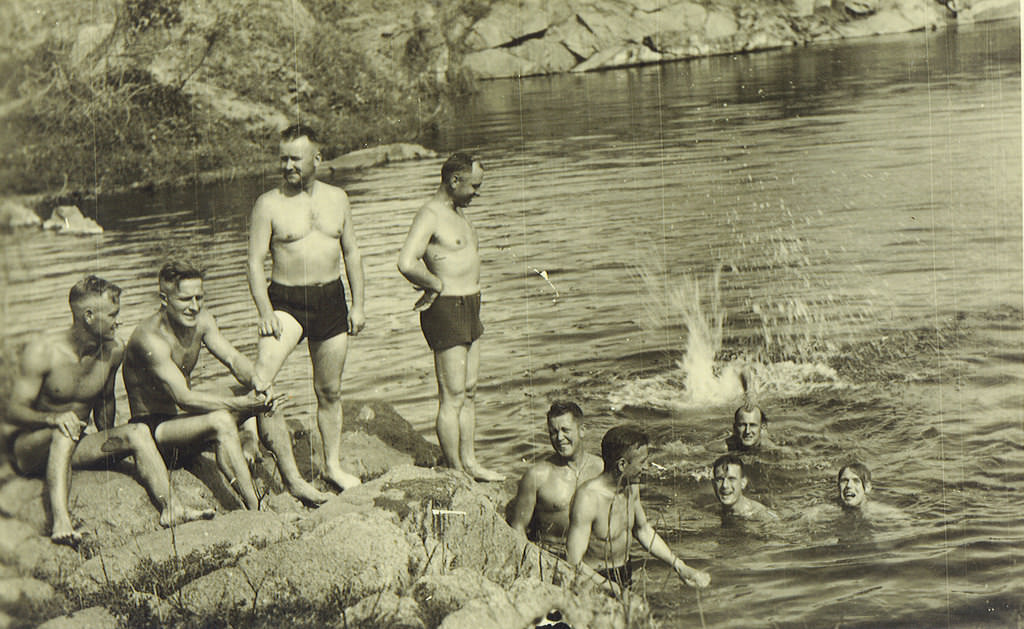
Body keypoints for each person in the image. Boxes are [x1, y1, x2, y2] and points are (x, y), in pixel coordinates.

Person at [4, 276, 212, 545]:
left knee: (137, 432)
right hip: (31, 449)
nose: (119, 321)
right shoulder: (44, 352)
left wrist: (112, 442)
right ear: (88, 316)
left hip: (74, 443)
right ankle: (61, 522)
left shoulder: (113, 350)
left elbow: (105, 400)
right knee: (64, 430)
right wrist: (52, 418)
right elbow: (11, 410)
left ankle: (172, 508)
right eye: (112, 315)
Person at [124, 260, 328, 507]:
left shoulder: (202, 320)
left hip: (183, 417)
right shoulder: (149, 339)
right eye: (185, 299)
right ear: (164, 299)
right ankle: (256, 507)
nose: (194, 307)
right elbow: (184, 398)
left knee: (261, 392)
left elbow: (232, 358)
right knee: (222, 419)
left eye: (200, 298)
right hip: (156, 429)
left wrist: (259, 382)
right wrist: (241, 405)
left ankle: (294, 481)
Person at [247, 123, 365, 492]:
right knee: (260, 377)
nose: (287, 167)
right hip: (286, 302)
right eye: (282, 159)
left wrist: (359, 305)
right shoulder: (268, 203)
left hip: (331, 299)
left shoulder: (339, 198)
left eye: (294, 159)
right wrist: (265, 311)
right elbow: (254, 262)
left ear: (317, 158)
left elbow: (351, 253)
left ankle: (331, 465)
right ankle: (249, 435)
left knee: (329, 391)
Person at [397, 152, 503, 482]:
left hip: (471, 304)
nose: (476, 193)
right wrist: (435, 283)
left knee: (469, 390)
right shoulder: (430, 214)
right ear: (454, 181)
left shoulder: (457, 213)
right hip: (447, 308)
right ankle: (455, 470)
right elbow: (406, 261)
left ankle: (469, 462)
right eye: (473, 186)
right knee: (453, 394)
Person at [566, 425, 710, 591]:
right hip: (594, 579)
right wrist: (613, 589)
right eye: (642, 462)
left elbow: (643, 531)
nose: (648, 467)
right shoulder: (588, 498)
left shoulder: (630, 487)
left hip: (624, 572)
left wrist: (681, 567)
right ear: (622, 465)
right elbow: (573, 561)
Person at [508, 401, 603, 555]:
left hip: (592, 559)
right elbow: (518, 527)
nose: (559, 438)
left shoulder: (601, 469)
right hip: (553, 556)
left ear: (582, 430)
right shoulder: (537, 475)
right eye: (553, 432)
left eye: (565, 430)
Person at [711, 454, 779, 522]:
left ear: (743, 483)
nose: (725, 485)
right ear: (713, 484)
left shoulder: (760, 516)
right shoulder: (714, 511)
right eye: (719, 479)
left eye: (731, 479)